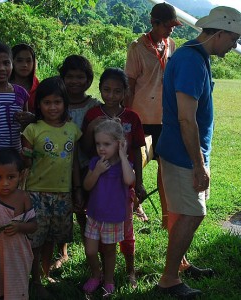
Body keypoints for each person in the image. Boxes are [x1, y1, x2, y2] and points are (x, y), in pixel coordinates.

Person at [155, 6, 241, 298]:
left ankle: (180, 265)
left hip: (188, 152)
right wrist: (199, 165)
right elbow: (186, 118)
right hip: (183, 154)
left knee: (185, 211)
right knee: (192, 213)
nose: (235, 46)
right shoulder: (190, 62)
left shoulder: (198, 57)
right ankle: (169, 280)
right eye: (233, 39)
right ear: (219, 33)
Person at [81, 68, 145, 288]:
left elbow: (137, 150)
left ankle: (129, 270)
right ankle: (98, 274)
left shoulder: (132, 117)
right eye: (106, 90)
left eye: (117, 91)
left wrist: (140, 183)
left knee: (126, 231)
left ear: (125, 92)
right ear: (99, 90)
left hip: (121, 182)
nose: (111, 95)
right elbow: (86, 147)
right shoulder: (92, 115)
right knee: (97, 237)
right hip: (99, 181)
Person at [21, 76, 81, 296]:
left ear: (65, 103)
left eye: (57, 102)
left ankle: (46, 275)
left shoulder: (73, 129)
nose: (52, 107)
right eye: (47, 103)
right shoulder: (32, 130)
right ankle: (35, 279)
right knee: (35, 239)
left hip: (63, 193)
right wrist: (25, 155)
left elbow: (74, 162)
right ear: (39, 105)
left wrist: (77, 189)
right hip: (36, 193)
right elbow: (26, 163)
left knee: (52, 238)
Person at [124, 2, 181, 225]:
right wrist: (126, 117)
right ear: (153, 23)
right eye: (167, 25)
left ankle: (167, 217)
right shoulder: (137, 47)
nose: (171, 30)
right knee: (135, 166)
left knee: (164, 166)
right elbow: (129, 83)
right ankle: (133, 206)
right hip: (140, 118)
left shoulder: (171, 45)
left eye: (173, 26)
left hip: (164, 118)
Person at [55, 54, 101, 270]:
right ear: (62, 78)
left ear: (88, 80)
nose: (74, 81)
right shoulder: (57, 103)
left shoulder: (93, 106)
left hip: (87, 166)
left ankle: (90, 252)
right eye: (70, 76)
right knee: (64, 209)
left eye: (80, 77)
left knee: (85, 211)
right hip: (60, 165)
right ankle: (62, 252)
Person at [82, 118, 135, 297]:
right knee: (90, 250)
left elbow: (129, 181)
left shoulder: (123, 166)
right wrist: (97, 171)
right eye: (98, 144)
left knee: (110, 251)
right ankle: (96, 275)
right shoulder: (95, 162)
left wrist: (122, 156)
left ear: (119, 144)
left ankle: (109, 280)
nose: (101, 148)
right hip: (94, 215)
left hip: (113, 217)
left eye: (107, 144)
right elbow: (87, 186)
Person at [0, 148, 37, 300]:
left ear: (20, 175)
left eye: (11, 177)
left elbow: (33, 225)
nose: (5, 183)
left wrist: (19, 227)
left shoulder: (23, 197)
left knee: (16, 291)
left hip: (17, 255)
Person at [10, 43, 40, 110]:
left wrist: (33, 117)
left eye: (28, 61)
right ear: (11, 62)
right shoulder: (0, 84)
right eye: (19, 61)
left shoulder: (39, 87)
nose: (25, 65)